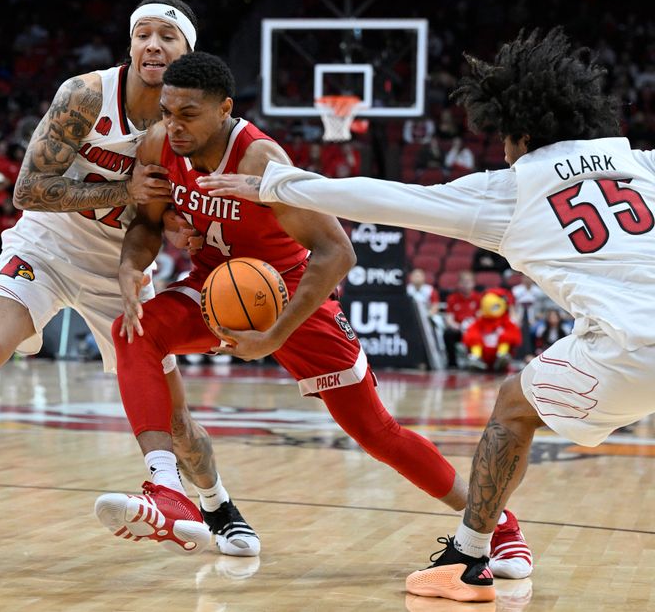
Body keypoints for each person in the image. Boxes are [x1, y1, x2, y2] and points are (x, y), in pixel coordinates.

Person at [197, 26, 648, 602]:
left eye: (503, 138)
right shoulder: (643, 164)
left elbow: (387, 198)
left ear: (524, 133)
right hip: (627, 334)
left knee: (513, 409)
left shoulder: (511, 190)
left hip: (629, 348)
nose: (501, 150)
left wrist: (278, 184)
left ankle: (469, 559)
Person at [0, 0, 259, 559]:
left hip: (118, 270)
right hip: (45, 245)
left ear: (187, 53)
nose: (153, 45)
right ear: (130, 43)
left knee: (174, 418)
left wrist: (178, 226)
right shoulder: (86, 95)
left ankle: (217, 505)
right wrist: (124, 191)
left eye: (168, 37)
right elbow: (27, 190)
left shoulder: (191, 123)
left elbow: (174, 213)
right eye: (143, 33)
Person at [96, 52, 529, 573]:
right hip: (217, 287)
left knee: (377, 434)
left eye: (187, 114)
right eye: (167, 111)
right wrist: (128, 266)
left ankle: (499, 525)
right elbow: (145, 225)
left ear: (225, 109)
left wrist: (276, 334)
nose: (173, 124)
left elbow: (338, 252)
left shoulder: (260, 160)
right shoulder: (158, 144)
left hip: (293, 297)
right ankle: (166, 488)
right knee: (135, 330)